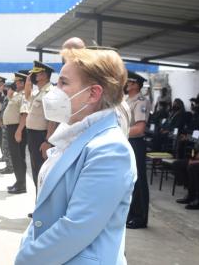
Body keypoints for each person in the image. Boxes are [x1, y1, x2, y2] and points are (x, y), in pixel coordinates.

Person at [15, 48, 136, 265]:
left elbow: (77, 227)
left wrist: (26, 258)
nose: (56, 90)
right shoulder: (75, 134)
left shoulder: (110, 150)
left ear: (93, 93)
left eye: (64, 83)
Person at [125, 71, 152, 229]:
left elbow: (139, 128)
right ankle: (131, 213)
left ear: (136, 85)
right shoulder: (127, 100)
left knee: (139, 180)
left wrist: (119, 130)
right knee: (130, 179)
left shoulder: (141, 101)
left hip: (136, 142)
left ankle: (140, 217)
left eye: (129, 82)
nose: (126, 84)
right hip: (128, 141)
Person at [25, 61, 58, 188]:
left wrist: (47, 141)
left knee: (41, 172)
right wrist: (28, 81)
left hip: (41, 137)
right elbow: (27, 96)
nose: (34, 76)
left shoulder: (50, 92)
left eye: (36, 74)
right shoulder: (39, 92)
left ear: (44, 75)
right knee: (35, 170)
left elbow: (53, 119)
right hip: (33, 136)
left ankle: (42, 202)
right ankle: (38, 200)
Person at [5, 71, 30, 194]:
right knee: (15, 157)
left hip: (17, 128)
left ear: (24, 82)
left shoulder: (24, 95)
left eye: (19, 81)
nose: (16, 83)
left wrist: (19, 131)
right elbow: (10, 100)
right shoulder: (18, 94)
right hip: (13, 128)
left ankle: (21, 185)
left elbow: (24, 114)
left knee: (18, 157)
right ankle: (19, 181)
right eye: (16, 81)